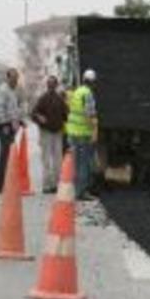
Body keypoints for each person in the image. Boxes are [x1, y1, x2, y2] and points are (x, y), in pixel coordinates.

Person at [32, 75, 69, 194]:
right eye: (50, 84)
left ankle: (53, 185)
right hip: (48, 132)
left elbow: (66, 115)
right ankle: (49, 185)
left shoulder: (59, 99)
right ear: (48, 86)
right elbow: (33, 113)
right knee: (50, 160)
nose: (51, 86)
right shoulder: (44, 99)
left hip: (56, 132)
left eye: (53, 84)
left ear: (55, 85)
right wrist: (39, 118)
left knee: (54, 160)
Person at [65, 69, 98, 201]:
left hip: (73, 132)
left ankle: (77, 189)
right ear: (92, 82)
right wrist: (93, 128)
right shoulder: (88, 93)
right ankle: (82, 192)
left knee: (77, 162)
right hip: (83, 133)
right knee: (84, 163)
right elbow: (89, 114)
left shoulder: (77, 92)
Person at [0, 68, 23, 194]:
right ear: (8, 78)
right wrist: (5, 125)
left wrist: (20, 121)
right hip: (4, 127)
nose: (16, 81)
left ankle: (5, 183)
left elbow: (13, 110)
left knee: (9, 156)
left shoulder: (13, 91)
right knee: (5, 156)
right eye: (14, 78)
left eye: (17, 78)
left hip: (11, 126)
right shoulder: (3, 90)